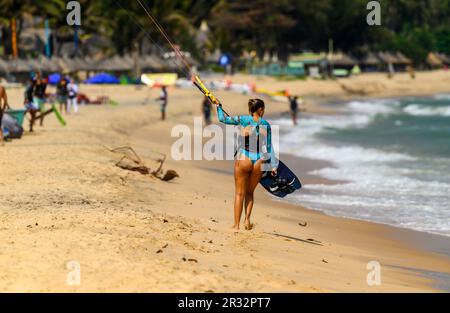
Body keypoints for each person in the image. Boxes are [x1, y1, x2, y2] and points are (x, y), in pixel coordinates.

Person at [216, 98, 278, 231]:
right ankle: (247, 220)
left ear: (251, 109)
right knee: (250, 192)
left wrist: (219, 106)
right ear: (260, 110)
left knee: (239, 193)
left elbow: (223, 119)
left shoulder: (243, 119)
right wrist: (273, 165)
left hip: (244, 157)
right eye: (263, 109)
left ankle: (236, 225)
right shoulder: (266, 124)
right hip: (259, 161)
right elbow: (268, 147)